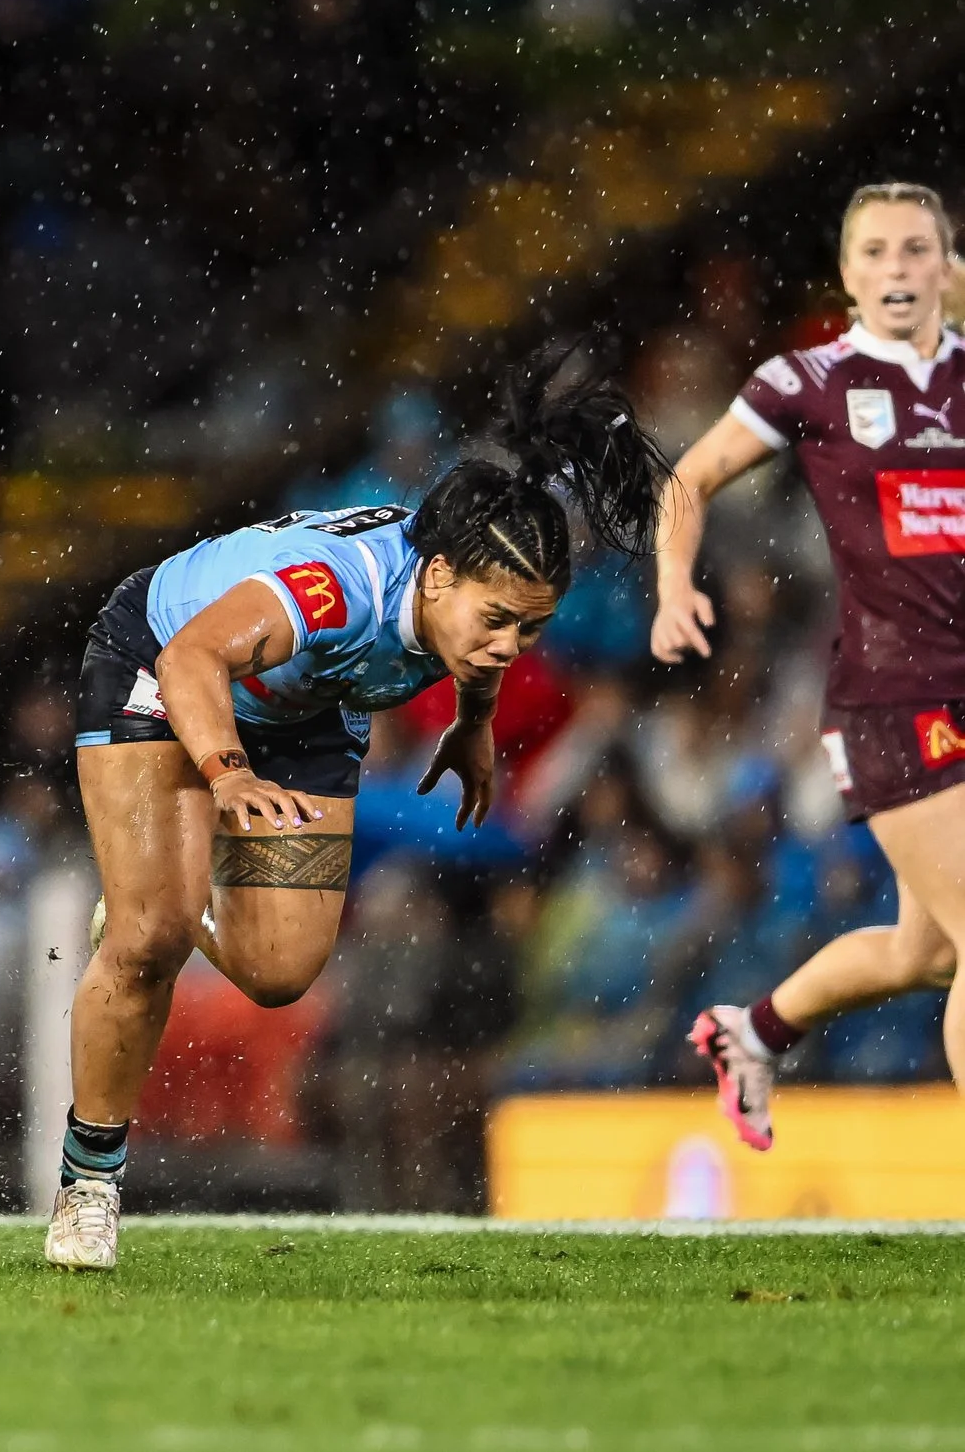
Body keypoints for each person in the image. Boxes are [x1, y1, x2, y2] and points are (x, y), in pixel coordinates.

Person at [47, 351, 669, 1270]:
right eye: (499, 619)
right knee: (146, 946)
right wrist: (226, 774)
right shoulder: (333, 591)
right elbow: (191, 662)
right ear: (439, 576)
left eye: (531, 629)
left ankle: (162, 907)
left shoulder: (462, 605)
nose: (510, 647)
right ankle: (89, 1185)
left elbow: (478, 649)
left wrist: (474, 725)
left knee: (279, 970)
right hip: (162, 660)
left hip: (304, 706)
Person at [660, 184, 965, 1148]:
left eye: (915, 249)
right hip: (892, 695)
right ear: (845, 273)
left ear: (945, 265)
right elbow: (690, 476)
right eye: (874, 252)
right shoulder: (812, 379)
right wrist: (674, 586)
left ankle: (753, 1031)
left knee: (925, 950)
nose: (895, 269)